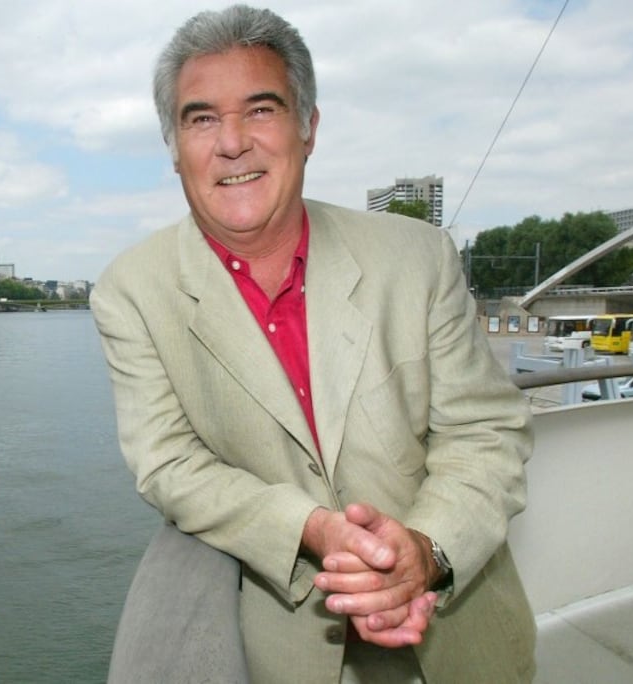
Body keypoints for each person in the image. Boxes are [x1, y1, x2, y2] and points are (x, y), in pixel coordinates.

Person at [91, 5, 535, 682]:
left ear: (308, 129)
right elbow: (168, 464)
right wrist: (312, 529)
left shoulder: (417, 257)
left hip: (458, 639)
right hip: (289, 651)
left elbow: (486, 433)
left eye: (261, 110)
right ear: (174, 148)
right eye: (201, 118)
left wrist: (426, 551)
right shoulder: (130, 292)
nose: (232, 142)